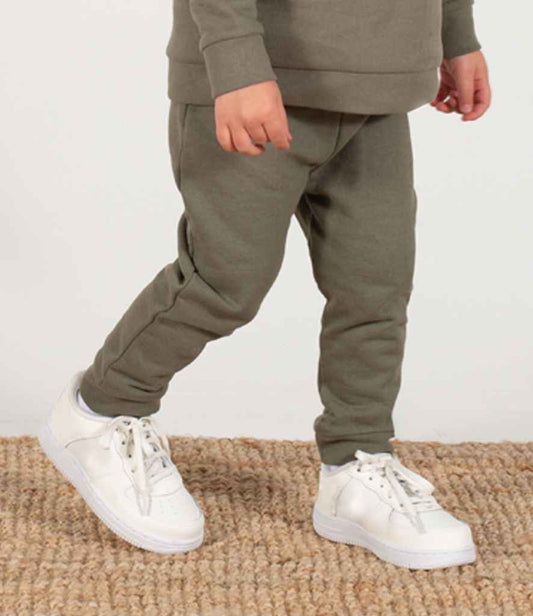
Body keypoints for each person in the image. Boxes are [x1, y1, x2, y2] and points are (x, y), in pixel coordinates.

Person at [39, 0, 491, 568]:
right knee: (223, 282)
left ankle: (356, 462)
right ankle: (101, 409)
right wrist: (236, 61)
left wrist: (455, 33)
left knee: (376, 288)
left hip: (379, 85)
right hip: (257, 79)